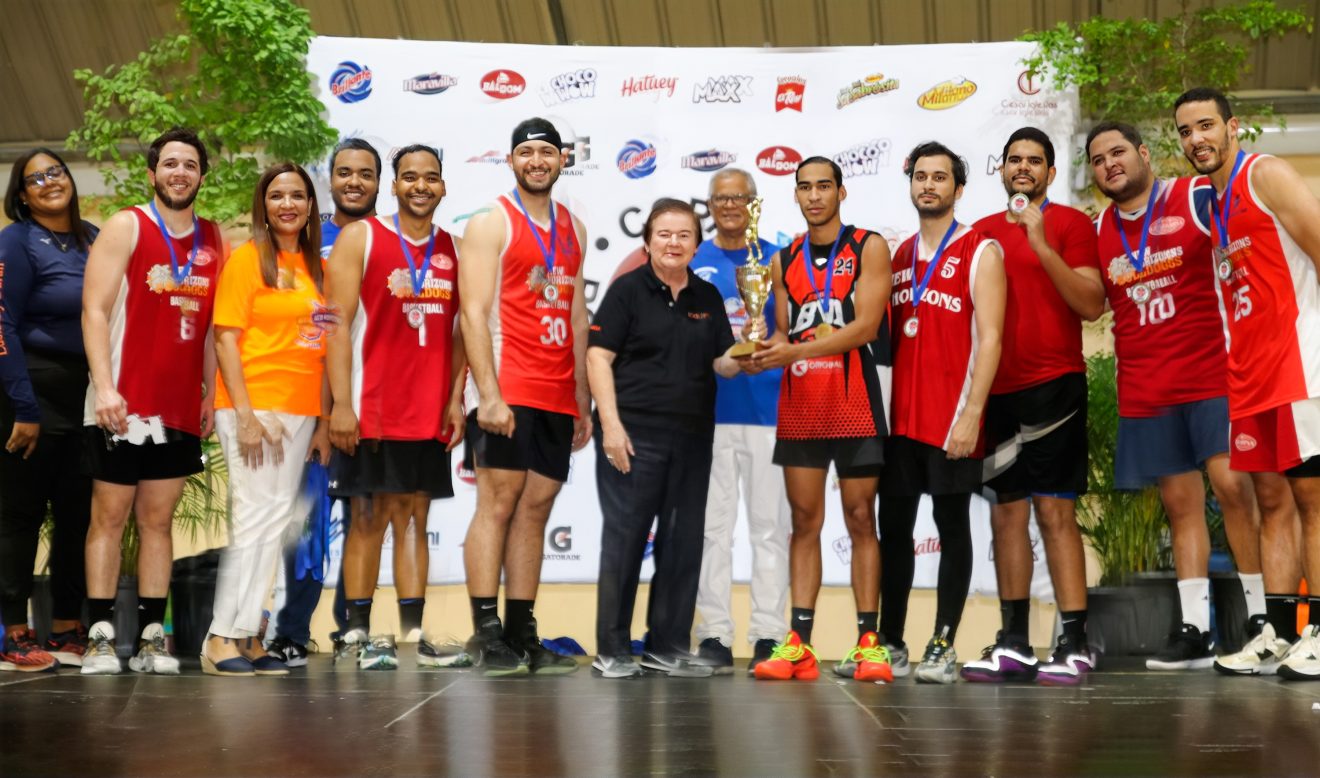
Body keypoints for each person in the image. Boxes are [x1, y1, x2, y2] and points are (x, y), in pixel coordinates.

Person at [1085, 121, 1266, 671]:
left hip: (1212, 376)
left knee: (1233, 490)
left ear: (1144, 154)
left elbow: (1247, 248)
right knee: (1179, 507)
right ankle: (1194, 630)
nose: (1110, 164)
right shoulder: (1099, 230)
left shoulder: (1193, 196)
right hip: (1147, 388)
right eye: (1097, 159)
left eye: (1118, 152)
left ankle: (1260, 621)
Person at [1174, 87, 1320, 680]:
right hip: (1251, 376)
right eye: (1186, 132)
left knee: (1313, 500)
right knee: (1271, 502)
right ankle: (1282, 634)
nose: (1196, 140)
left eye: (1206, 125)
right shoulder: (1215, 201)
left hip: (1299, 364)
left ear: (1234, 126)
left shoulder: (1267, 174)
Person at [80, 128, 225, 675]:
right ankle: (98, 637)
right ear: (153, 173)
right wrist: (106, 387)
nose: (180, 172)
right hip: (123, 403)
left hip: (178, 409)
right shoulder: (126, 224)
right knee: (109, 518)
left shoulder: (214, 238)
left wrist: (211, 389)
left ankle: (150, 640)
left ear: (201, 176)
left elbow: (211, 326)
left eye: (190, 164)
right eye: (170, 164)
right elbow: (93, 310)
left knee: (158, 522)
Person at [963, 127, 1102, 686]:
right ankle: (1015, 641)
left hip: (1055, 387)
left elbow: (1092, 304)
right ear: (1001, 168)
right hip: (996, 394)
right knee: (1007, 515)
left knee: (1054, 513)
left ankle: (1074, 641)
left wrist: (1042, 243)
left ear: (1049, 170)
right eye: (1015, 159)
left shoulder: (1071, 224)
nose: (1024, 168)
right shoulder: (979, 234)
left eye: (1035, 161)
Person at [748, 156, 894, 683]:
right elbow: (787, 334)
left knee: (860, 519)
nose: (814, 196)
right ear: (796, 196)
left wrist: (789, 351)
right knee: (804, 523)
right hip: (803, 406)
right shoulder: (783, 258)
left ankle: (868, 643)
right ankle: (800, 643)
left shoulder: (868, 246)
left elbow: (866, 327)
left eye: (823, 187)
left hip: (855, 402)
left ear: (841, 192)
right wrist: (766, 348)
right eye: (804, 187)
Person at [588, 198, 745, 678]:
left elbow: (722, 362)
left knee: (682, 544)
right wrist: (611, 427)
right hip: (633, 437)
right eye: (664, 234)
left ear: (697, 245)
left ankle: (667, 646)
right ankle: (612, 650)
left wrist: (747, 352)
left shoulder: (707, 297)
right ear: (648, 241)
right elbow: (598, 358)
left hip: (694, 438)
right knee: (626, 542)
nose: (673, 243)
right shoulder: (627, 292)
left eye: (683, 235)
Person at [324, 144, 467, 671]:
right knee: (367, 518)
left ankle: (411, 634)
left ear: (444, 187)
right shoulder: (361, 238)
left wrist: (454, 400)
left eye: (431, 177)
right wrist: (341, 403)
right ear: (395, 186)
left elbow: (460, 335)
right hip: (370, 407)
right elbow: (333, 326)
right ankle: (356, 634)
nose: (421, 186)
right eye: (410, 177)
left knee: (413, 518)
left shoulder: (456, 248)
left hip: (427, 409)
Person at [459, 118, 589, 676]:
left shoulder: (576, 227)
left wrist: (581, 395)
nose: (537, 161)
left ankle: (520, 628)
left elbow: (577, 314)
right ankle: (485, 631)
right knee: (498, 504)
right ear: (511, 160)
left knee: (535, 510)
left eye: (547, 152)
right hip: (506, 388)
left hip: (556, 391)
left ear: (563, 159)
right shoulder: (492, 221)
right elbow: (472, 312)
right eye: (526, 152)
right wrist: (486, 394)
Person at [199, 163, 333, 676]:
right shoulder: (246, 259)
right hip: (254, 409)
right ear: (264, 204)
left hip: (300, 412)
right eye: (277, 195)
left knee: (275, 525)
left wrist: (321, 419)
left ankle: (249, 636)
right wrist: (249, 414)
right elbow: (225, 336)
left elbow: (324, 345)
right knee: (253, 519)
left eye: (297, 195)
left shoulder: (314, 268)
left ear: (309, 205)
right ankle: (219, 638)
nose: (288, 204)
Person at [879, 142, 1005, 685]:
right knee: (895, 531)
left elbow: (992, 338)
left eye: (940, 177)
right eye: (921, 176)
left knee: (952, 527)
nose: (928, 185)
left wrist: (972, 415)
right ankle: (890, 641)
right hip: (899, 423)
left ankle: (943, 642)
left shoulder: (981, 250)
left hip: (952, 418)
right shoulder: (898, 253)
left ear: (959, 187)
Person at [266, 138, 381, 667]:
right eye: (344, 172)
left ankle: (352, 631)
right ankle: (291, 631)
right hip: (313, 408)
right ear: (328, 180)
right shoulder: (305, 243)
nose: (354, 181)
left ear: (380, 182)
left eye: (365, 173)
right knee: (307, 528)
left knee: (370, 520)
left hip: (380, 406)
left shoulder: (396, 241)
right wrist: (324, 408)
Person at [0, 149, 98, 672]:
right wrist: (22, 406)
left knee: (76, 514)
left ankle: (65, 626)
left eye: (55, 172)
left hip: (84, 395)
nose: (48, 182)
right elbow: (1, 326)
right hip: (29, 392)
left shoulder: (94, 238)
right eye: (35, 179)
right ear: (22, 195)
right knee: (20, 515)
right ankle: (13, 631)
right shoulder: (14, 242)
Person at [690, 169, 790, 675]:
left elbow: (794, 330)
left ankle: (771, 634)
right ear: (708, 205)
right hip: (708, 416)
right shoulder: (692, 260)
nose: (730, 205)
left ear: (755, 204)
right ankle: (713, 635)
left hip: (770, 412)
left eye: (740, 197)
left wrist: (772, 345)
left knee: (770, 530)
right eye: (721, 197)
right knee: (712, 531)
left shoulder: (778, 258)